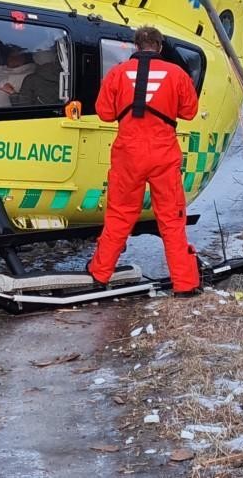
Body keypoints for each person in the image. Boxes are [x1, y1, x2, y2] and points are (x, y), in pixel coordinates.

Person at [87, 26, 202, 297]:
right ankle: (185, 284)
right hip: (163, 154)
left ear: (135, 46)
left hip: (128, 153)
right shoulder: (177, 74)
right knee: (171, 219)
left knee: (119, 215)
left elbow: (104, 113)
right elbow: (189, 112)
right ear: (160, 47)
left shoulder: (116, 73)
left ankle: (99, 274)